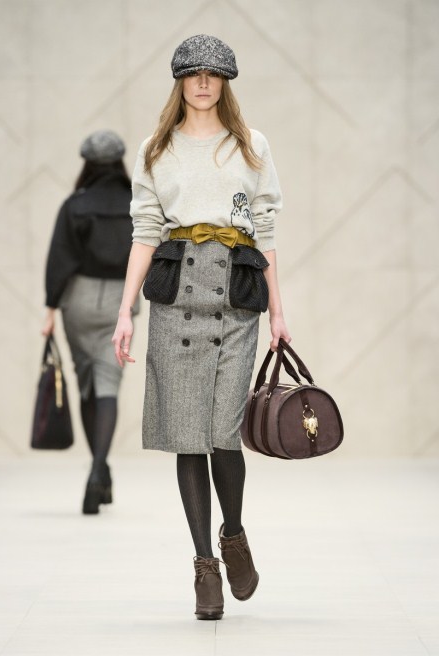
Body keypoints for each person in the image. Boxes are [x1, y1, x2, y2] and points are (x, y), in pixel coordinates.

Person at [112, 35, 291, 620]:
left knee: (224, 434)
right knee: (188, 435)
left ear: (226, 82)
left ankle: (232, 535)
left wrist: (279, 312)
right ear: (180, 82)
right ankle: (204, 567)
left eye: (214, 74)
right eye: (194, 74)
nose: (204, 83)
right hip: (176, 302)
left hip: (236, 300)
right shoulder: (156, 148)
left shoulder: (250, 144)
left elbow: (265, 232)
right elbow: (145, 230)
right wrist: (125, 311)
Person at [42, 130, 137, 515]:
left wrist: (50, 308)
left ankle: (98, 468)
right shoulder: (137, 203)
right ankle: (99, 469)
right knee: (108, 384)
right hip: (120, 301)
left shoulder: (75, 205)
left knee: (86, 383)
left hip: (78, 299)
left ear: (87, 164)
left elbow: (59, 258)